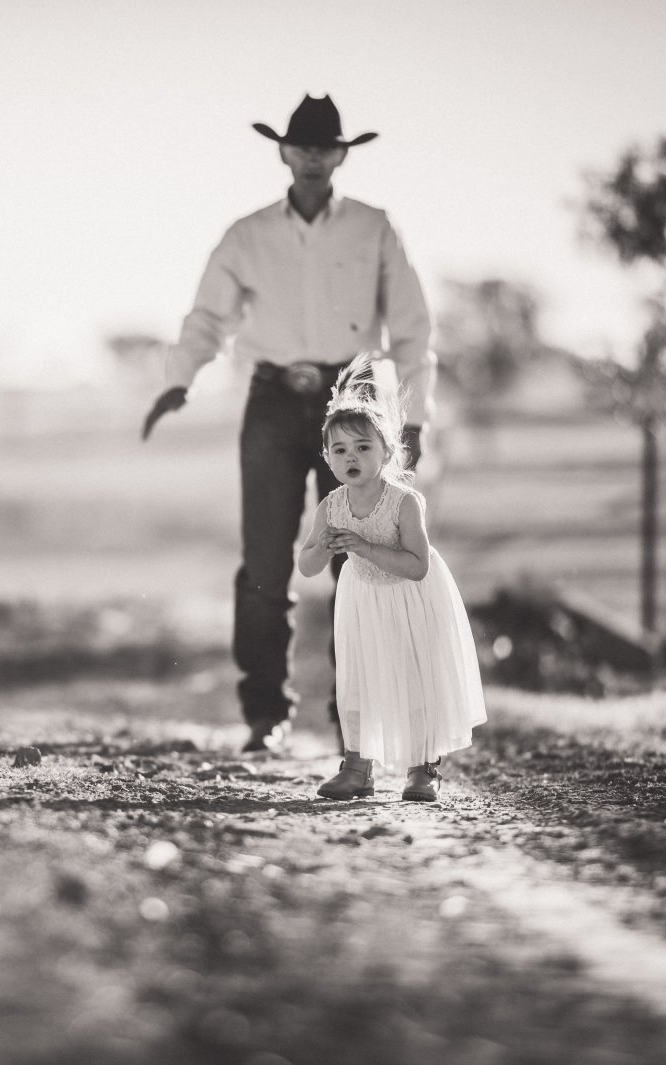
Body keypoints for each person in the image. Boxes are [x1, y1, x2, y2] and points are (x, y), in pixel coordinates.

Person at [141, 93, 437, 753]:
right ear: (283, 152)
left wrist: (413, 419)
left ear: (341, 156)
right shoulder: (247, 235)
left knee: (359, 561)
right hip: (272, 400)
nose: (313, 158)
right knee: (264, 561)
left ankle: (354, 718)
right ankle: (265, 715)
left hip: (354, 403)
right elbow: (208, 317)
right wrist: (179, 380)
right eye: (302, 147)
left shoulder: (374, 228)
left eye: (325, 148)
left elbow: (412, 329)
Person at [298, 357, 485, 801]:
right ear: (327, 458)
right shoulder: (331, 506)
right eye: (340, 450)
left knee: (414, 680)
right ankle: (357, 768)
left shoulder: (404, 502)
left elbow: (417, 566)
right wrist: (324, 548)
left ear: (386, 451)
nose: (351, 457)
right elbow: (306, 564)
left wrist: (364, 548)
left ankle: (422, 769)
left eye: (363, 447)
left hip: (410, 600)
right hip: (362, 601)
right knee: (357, 680)